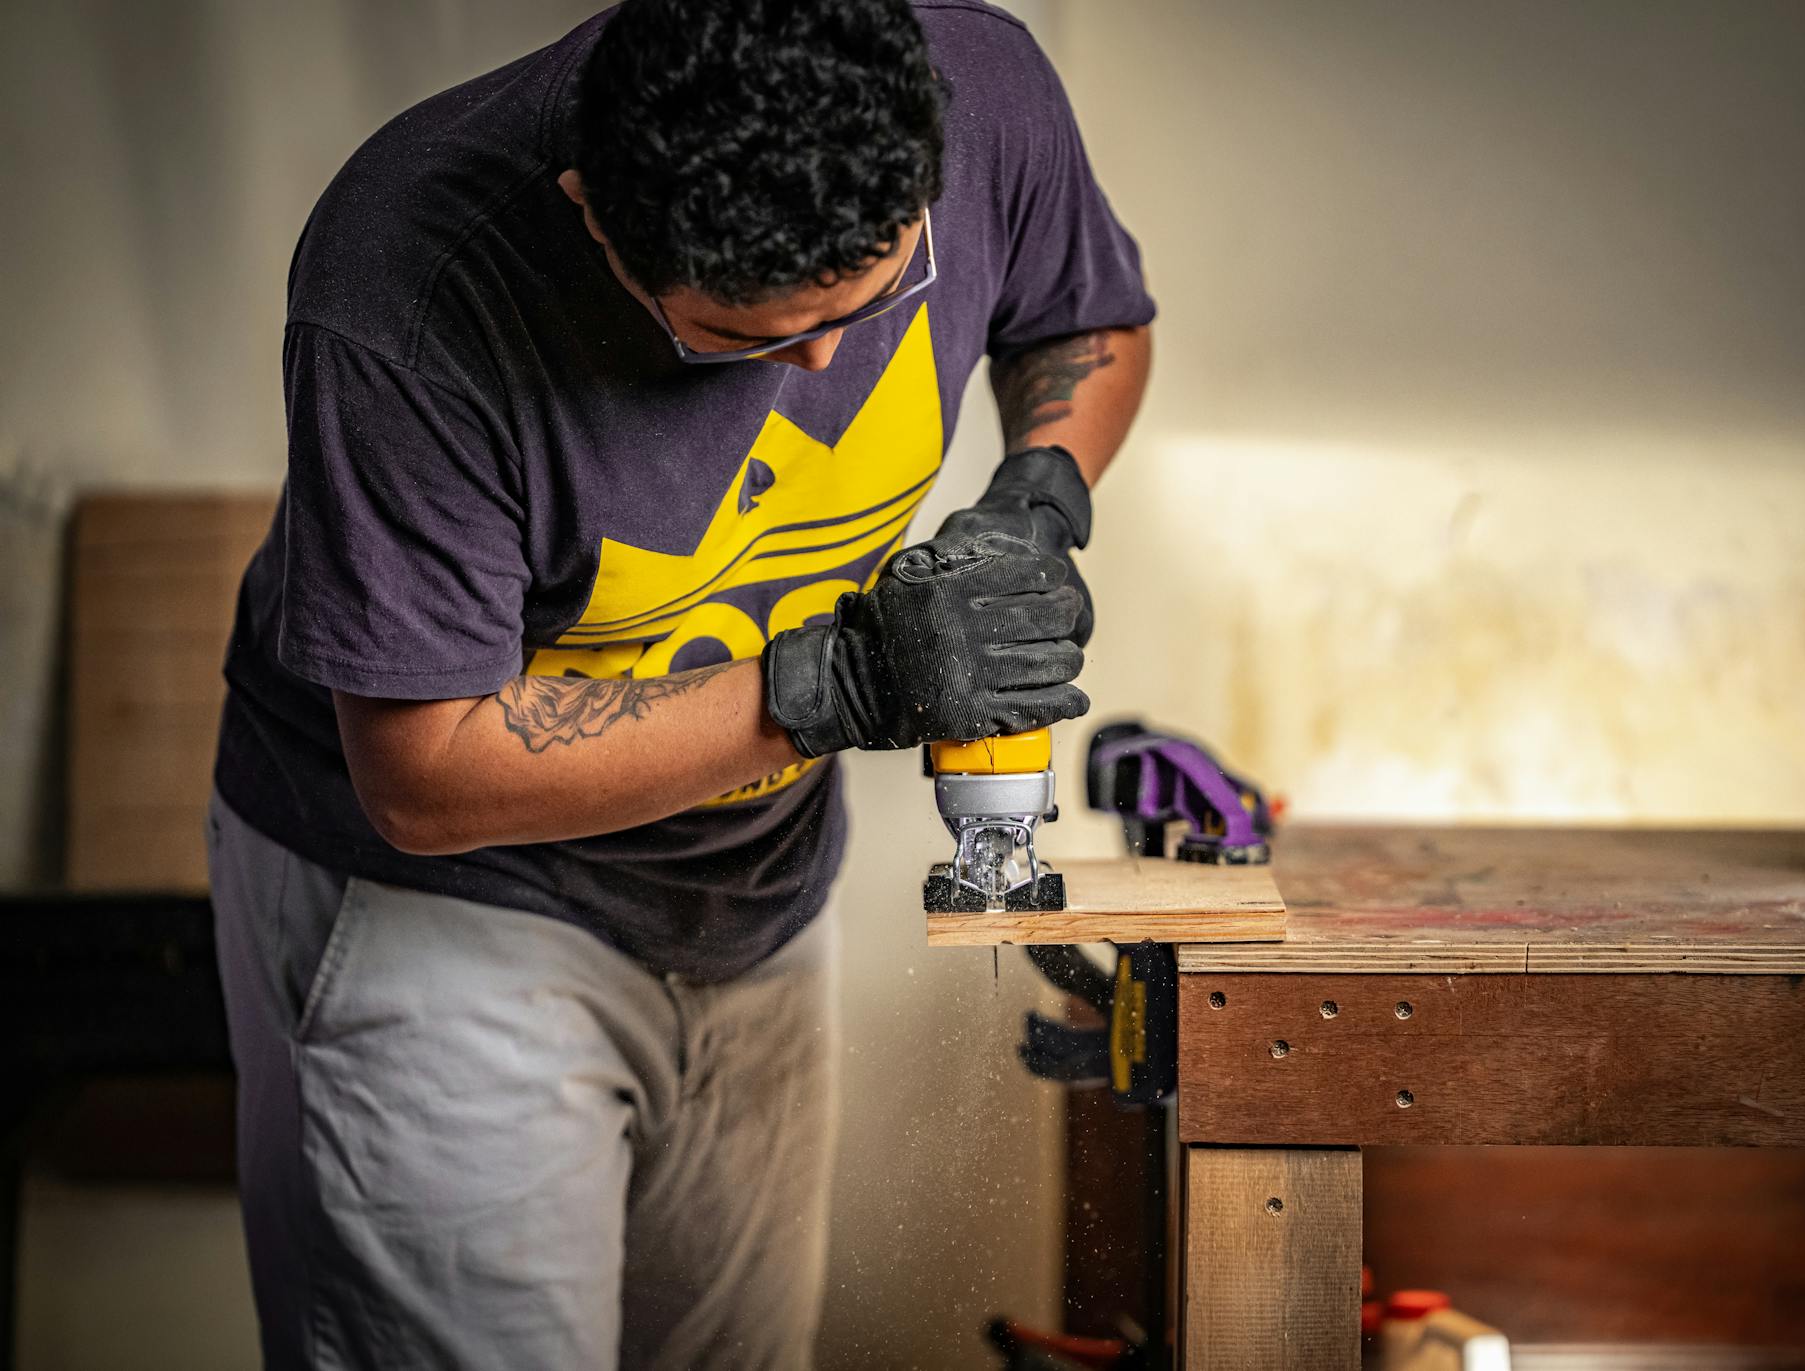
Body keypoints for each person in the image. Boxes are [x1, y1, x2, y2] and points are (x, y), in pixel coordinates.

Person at [206, 0, 1153, 1365]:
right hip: (455, 905)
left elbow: (1090, 324)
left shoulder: (982, 86)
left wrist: (1038, 499)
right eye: (743, 336)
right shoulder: (411, 285)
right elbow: (423, 774)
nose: (826, 363)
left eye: (875, 295)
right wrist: (838, 691)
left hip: (753, 887)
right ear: (597, 213)